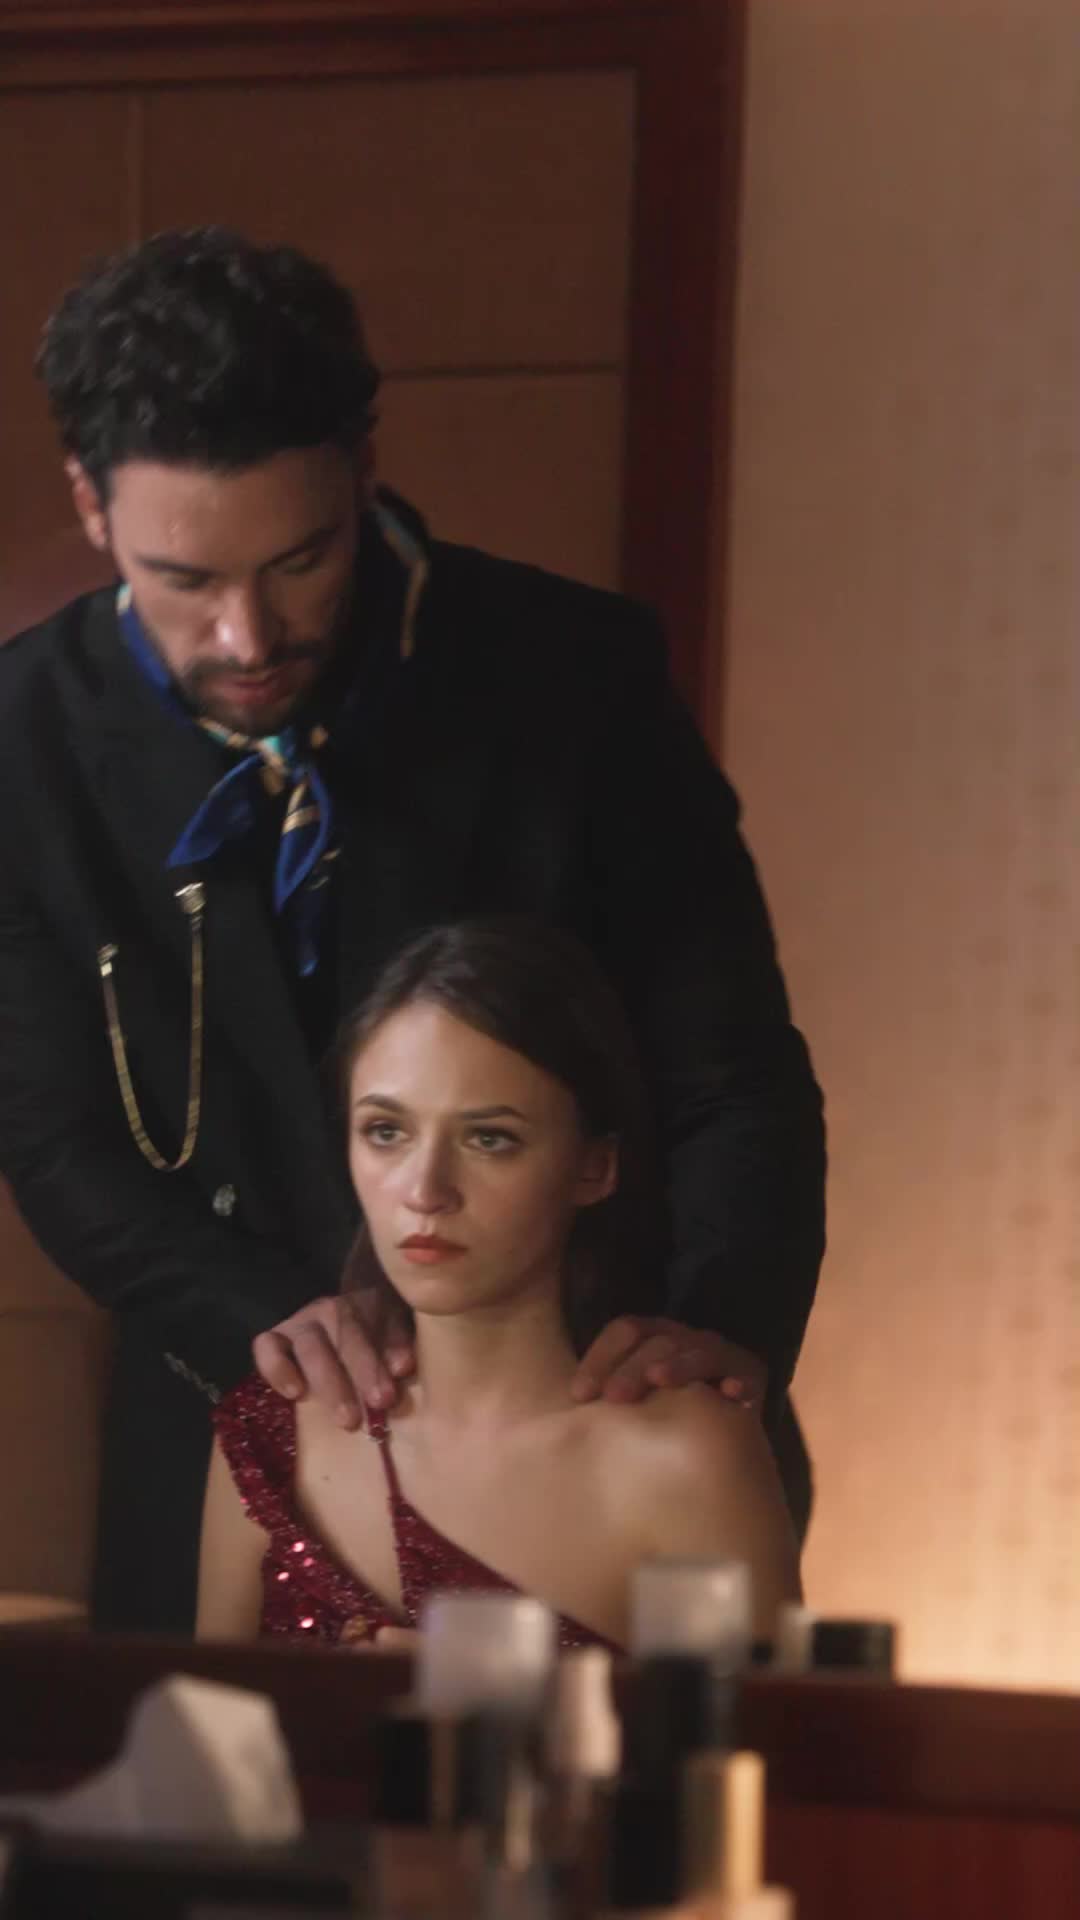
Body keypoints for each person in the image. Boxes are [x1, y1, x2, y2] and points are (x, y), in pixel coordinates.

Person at [0, 227, 824, 1635]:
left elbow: (732, 1072)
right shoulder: (22, 739)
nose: (248, 635)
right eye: (186, 579)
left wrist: (713, 1328)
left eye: (300, 560)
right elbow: (52, 1134)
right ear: (90, 503)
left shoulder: (573, 677)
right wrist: (265, 1320)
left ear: (362, 469)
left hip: (594, 1408)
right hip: (235, 1409)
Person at [198, 920, 800, 1649]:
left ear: (593, 1167)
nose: (425, 1190)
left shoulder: (686, 1458)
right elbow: (202, 1719)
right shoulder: (274, 1431)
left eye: (490, 1139)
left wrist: (499, 1694)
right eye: (386, 1132)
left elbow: (768, 1728)